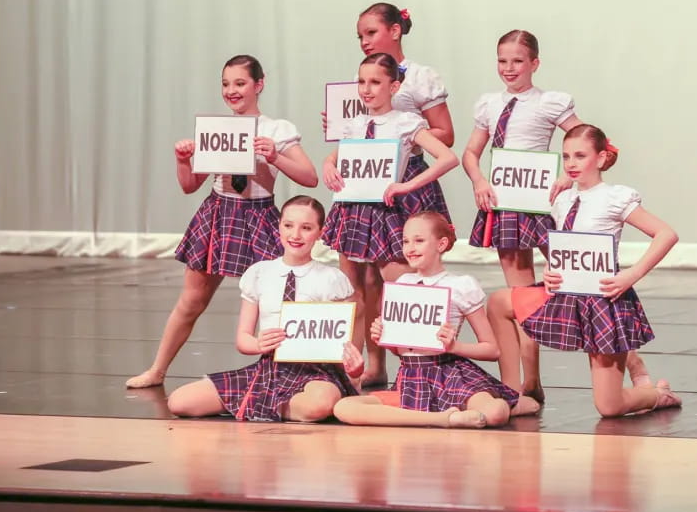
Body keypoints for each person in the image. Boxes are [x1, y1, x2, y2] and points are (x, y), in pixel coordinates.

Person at [126, 55, 318, 388]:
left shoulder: (277, 129)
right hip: (219, 213)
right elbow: (189, 185)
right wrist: (182, 160)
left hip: (259, 215)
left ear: (259, 85)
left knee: (279, 300)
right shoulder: (217, 130)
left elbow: (310, 178)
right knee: (192, 301)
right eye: (226, 84)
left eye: (240, 83)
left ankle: (292, 375)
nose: (231, 91)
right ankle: (157, 370)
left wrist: (276, 156)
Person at [487, 124, 682, 417]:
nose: (571, 164)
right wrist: (552, 270)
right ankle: (513, 393)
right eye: (566, 157)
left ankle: (656, 395)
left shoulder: (615, 197)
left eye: (580, 156)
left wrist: (630, 275)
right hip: (565, 294)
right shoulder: (562, 200)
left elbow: (666, 234)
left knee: (609, 407)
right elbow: (563, 246)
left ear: (602, 158)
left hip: (600, 299)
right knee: (499, 302)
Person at [322, 53, 458, 388]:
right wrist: (328, 163)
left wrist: (406, 185)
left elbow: (448, 157)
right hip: (357, 210)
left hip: (391, 210)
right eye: (362, 81)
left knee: (400, 287)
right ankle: (367, 366)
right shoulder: (354, 124)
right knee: (357, 290)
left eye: (375, 82)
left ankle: (424, 368)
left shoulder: (406, 123)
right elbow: (340, 154)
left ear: (394, 86)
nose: (366, 89)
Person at [462, 30, 583, 401]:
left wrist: (566, 175)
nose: (509, 68)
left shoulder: (548, 103)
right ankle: (530, 381)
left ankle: (633, 365)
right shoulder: (489, 104)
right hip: (506, 205)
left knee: (582, 278)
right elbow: (471, 153)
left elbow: (587, 141)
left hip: (538, 203)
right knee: (521, 296)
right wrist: (479, 181)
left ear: (534, 63)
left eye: (517, 61)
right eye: (502, 61)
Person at [167, 196, 363, 422]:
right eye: (288, 225)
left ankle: (262, 405)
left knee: (318, 405)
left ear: (320, 232)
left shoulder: (331, 278)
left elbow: (343, 343)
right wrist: (258, 344)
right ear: (279, 226)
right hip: (271, 369)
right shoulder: (259, 273)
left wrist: (354, 371)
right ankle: (272, 404)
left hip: (317, 373)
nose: (295, 235)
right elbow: (243, 338)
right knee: (179, 401)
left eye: (306, 228)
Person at [333, 211, 525, 429]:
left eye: (419, 241)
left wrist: (454, 346)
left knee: (495, 412)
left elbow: (491, 350)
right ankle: (445, 419)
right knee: (344, 407)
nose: (410, 248)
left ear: (441, 244)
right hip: (411, 376)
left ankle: (514, 403)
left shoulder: (461, 285)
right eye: (405, 241)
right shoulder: (403, 282)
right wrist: (386, 339)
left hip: (449, 374)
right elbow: (402, 350)